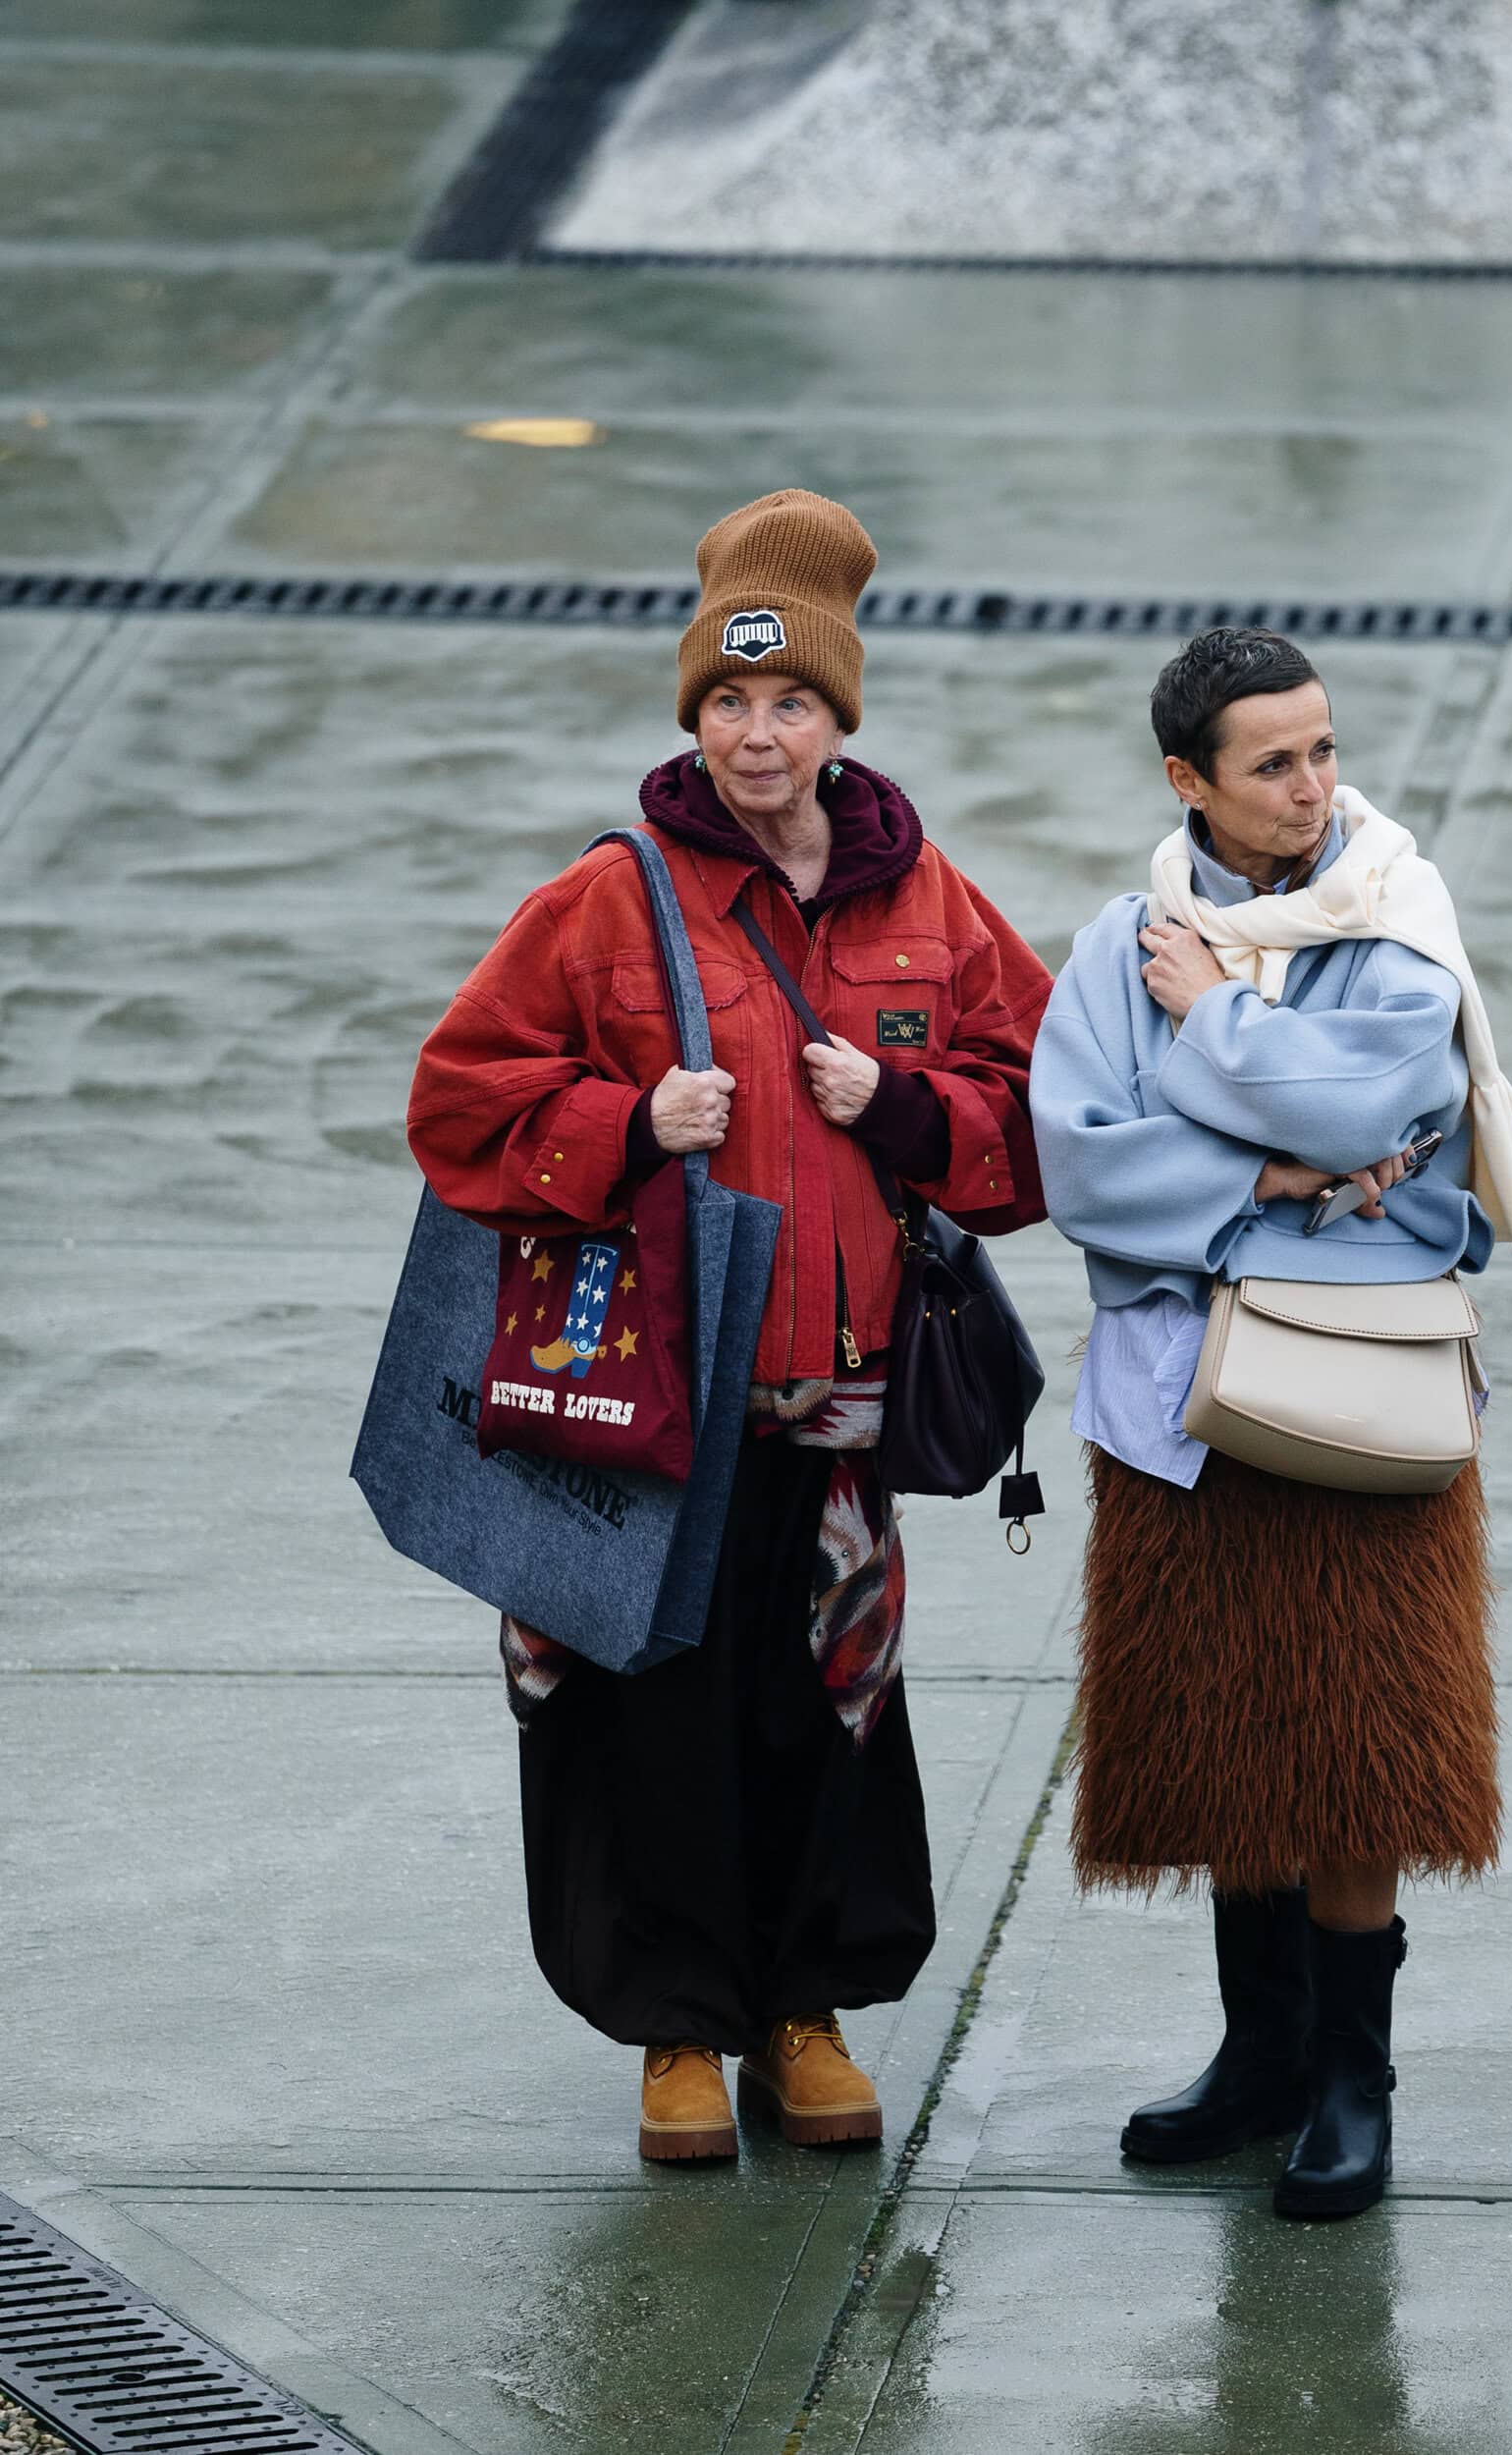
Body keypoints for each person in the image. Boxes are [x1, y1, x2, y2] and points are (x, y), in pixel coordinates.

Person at [408, 489, 1052, 2163]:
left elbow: (1044, 1106)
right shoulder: (608, 899)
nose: (758, 734)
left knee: (825, 1704)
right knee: (652, 1720)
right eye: (729, 700)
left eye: (792, 703)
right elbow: (459, 1103)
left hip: (834, 1407)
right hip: (655, 1411)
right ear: (694, 712)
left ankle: (802, 2014)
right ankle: (678, 2033)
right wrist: (629, 1124)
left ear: (842, 718)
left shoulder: (930, 903)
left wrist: (902, 1111)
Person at [1031, 627, 1512, 2219]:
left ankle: (1350, 2082)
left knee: (1363, 1739)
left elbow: (1370, 1106)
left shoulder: (1395, 913)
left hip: (1359, 1391)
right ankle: (1261, 2053)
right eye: (1273, 763)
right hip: (1183, 1404)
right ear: (1188, 780)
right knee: (1229, 1729)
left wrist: (1210, 1030)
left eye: (1323, 749)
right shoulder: (1119, 939)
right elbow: (1084, 1163)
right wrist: (1273, 1173)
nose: (1314, 786)